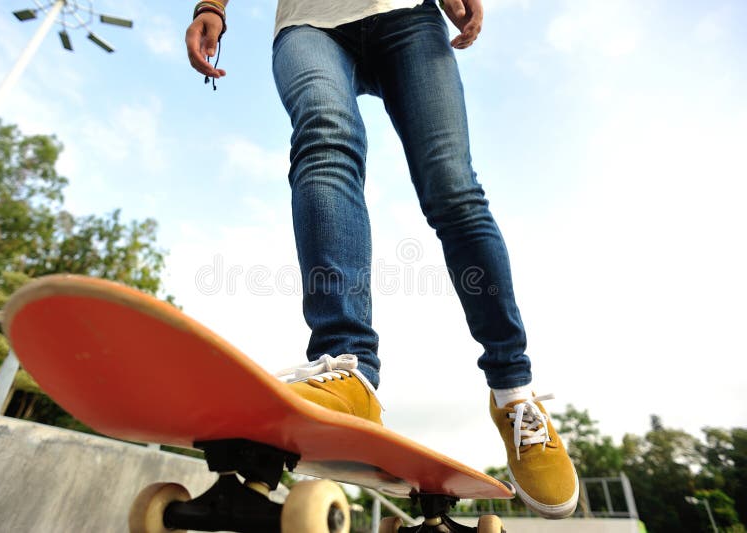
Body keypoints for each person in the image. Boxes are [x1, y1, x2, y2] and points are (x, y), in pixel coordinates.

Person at [185, 0, 578, 518]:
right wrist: (212, 5)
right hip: (309, 21)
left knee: (453, 189)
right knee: (325, 140)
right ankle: (348, 369)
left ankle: (514, 394)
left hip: (407, 13)